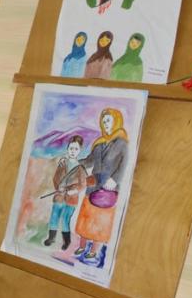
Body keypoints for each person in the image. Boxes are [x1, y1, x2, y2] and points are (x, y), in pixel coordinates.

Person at [73, 108, 129, 268]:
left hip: (108, 190)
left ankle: (94, 251)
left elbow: (125, 165)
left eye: (108, 120)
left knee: (101, 222)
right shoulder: (99, 143)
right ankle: (82, 246)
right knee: (86, 218)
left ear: (116, 121)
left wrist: (115, 179)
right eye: (103, 121)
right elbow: (89, 161)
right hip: (93, 186)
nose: (105, 124)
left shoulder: (122, 144)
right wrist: (75, 162)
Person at [43, 135, 87, 251]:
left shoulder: (80, 168)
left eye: (76, 149)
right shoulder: (62, 164)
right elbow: (55, 178)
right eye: (71, 148)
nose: (73, 151)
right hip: (59, 196)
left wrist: (74, 190)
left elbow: (83, 184)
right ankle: (51, 238)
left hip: (71, 199)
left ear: (80, 150)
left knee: (65, 220)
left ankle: (66, 241)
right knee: (54, 216)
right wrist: (59, 187)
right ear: (67, 148)